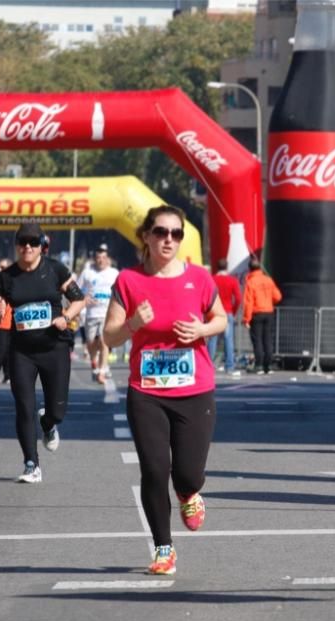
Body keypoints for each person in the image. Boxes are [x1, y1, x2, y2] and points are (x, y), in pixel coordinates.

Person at [103, 204, 227, 576]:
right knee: (155, 470)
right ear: (146, 236)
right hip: (147, 391)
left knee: (187, 474)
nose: (168, 239)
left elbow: (220, 318)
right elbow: (108, 337)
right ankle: (163, 548)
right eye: (161, 232)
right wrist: (133, 325)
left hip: (195, 390)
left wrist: (202, 331)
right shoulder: (128, 280)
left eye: (176, 233)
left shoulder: (200, 279)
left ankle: (189, 493)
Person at [0, 223, 85, 483]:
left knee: (58, 410)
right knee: (24, 406)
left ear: (42, 244)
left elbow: (79, 299)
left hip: (54, 347)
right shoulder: (6, 276)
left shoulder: (55, 269)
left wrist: (65, 316)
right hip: (22, 351)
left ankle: (49, 422)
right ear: (17, 245)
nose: (27, 247)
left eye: (33, 242)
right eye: (22, 242)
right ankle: (31, 464)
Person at [76, 243, 120, 384]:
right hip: (91, 314)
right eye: (98, 257)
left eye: (103, 257)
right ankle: (94, 361)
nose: (100, 260)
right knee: (90, 342)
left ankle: (102, 370)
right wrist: (84, 300)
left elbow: (120, 292)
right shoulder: (88, 273)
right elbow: (77, 289)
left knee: (103, 341)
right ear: (94, 259)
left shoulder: (114, 273)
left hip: (107, 313)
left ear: (108, 259)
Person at [242, 255, 282, 374]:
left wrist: (246, 319)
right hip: (268, 312)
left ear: (250, 269)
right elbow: (278, 296)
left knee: (257, 340)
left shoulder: (251, 282)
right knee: (268, 339)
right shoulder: (268, 280)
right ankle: (268, 365)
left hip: (256, 313)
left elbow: (248, 302)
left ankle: (258, 365)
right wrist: (269, 301)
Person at [206, 258, 242, 376]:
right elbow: (238, 298)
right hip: (227, 311)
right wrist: (233, 311)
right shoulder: (232, 280)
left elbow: (207, 296)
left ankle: (209, 366)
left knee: (212, 340)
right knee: (228, 340)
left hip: (214, 312)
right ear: (226, 267)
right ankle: (229, 366)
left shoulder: (211, 279)